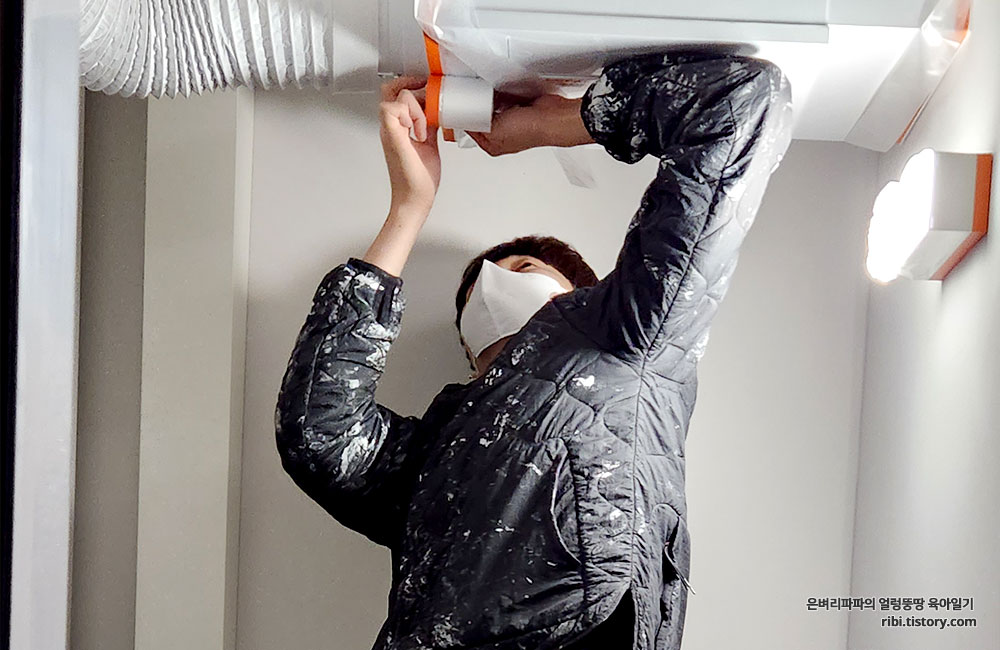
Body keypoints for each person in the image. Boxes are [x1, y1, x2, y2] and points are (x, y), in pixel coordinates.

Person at [275, 51, 792, 650]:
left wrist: (555, 123)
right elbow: (318, 433)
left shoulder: (627, 331)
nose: (492, 288)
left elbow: (742, 98)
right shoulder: (437, 449)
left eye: (522, 269)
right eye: (473, 299)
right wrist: (408, 208)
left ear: (576, 294)